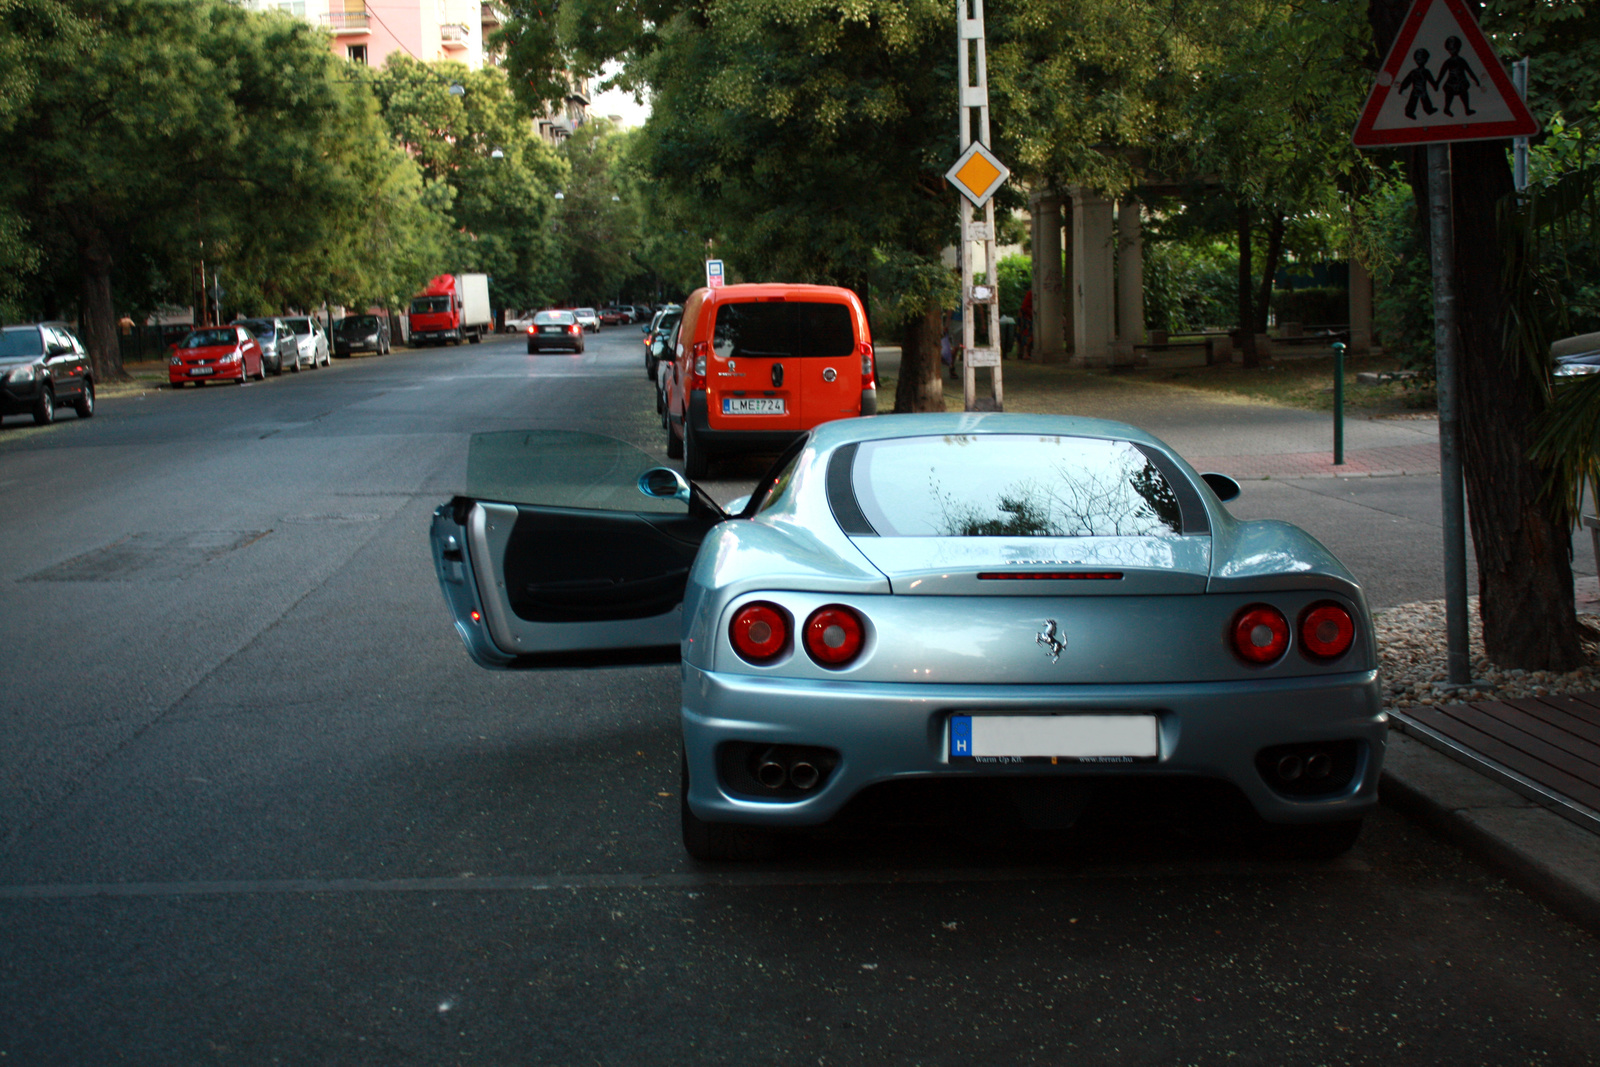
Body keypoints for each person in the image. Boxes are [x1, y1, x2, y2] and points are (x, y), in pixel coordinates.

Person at [1018, 288, 1034, 361]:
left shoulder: (1031, 293)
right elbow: (1026, 307)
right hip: (1026, 316)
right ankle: (1025, 353)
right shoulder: (1031, 293)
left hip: (1026, 315)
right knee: (1027, 334)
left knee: (1026, 334)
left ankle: (1024, 353)